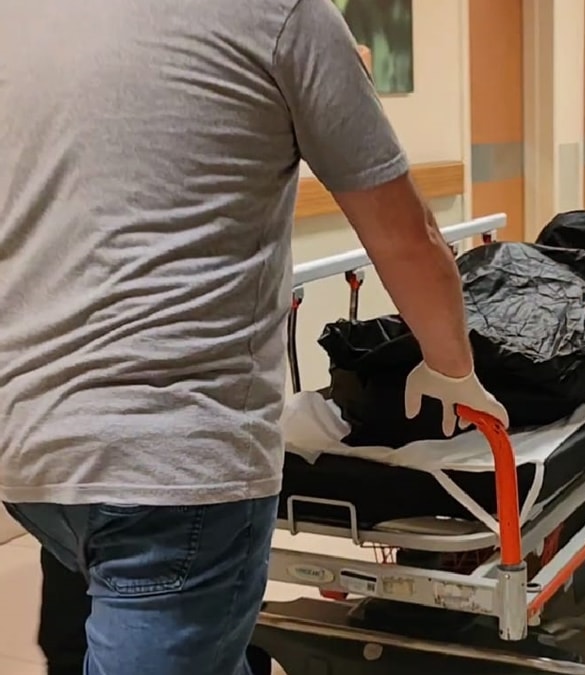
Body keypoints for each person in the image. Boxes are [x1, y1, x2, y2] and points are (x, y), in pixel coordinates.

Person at [0, 0, 508, 673]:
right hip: (174, 469)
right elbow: (408, 237)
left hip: (28, 452)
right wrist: (452, 367)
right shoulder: (283, 16)